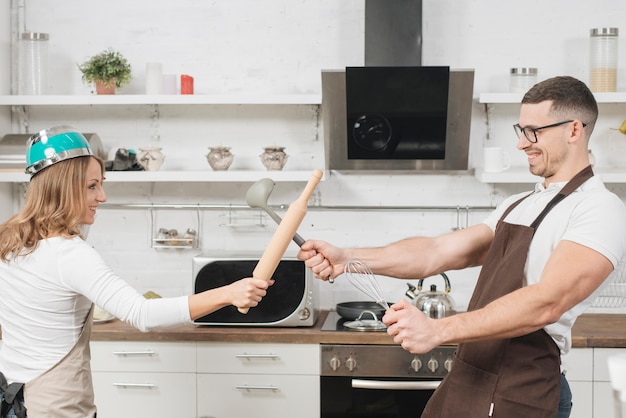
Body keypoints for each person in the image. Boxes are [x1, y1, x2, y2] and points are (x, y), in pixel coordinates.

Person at [298, 76, 626, 418]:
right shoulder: (519, 203)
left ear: (574, 130)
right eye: (521, 130)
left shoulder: (599, 209)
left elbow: (548, 301)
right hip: (472, 379)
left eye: (534, 132)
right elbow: (437, 252)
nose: (522, 144)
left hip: (523, 391)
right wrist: (348, 258)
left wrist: (438, 330)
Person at [0, 126, 273, 417]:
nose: (102, 197)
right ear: (64, 186)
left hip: (11, 396)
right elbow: (142, 314)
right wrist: (229, 293)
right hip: (54, 405)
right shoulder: (70, 254)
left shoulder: (9, 240)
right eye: (92, 186)